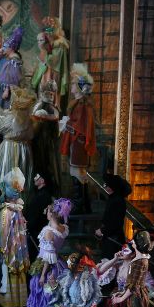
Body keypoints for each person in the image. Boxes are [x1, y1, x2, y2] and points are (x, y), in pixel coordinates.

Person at [24, 199, 71, 307]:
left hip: (48, 268)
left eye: (48, 211)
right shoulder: (64, 228)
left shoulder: (48, 232)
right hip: (60, 265)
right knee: (55, 298)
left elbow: (47, 258)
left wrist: (43, 275)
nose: (46, 213)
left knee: (42, 300)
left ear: (51, 214)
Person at [59, 63, 97, 214]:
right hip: (77, 145)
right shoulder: (79, 104)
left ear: (81, 87)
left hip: (78, 146)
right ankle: (84, 205)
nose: (72, 86)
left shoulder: (82, 106)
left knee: (77, 174)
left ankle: (80, 204)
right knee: (79, 175)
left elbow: (79, 128)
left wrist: (65, 125)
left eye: (74, 83)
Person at [0, 168, 29, 307]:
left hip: (10, 248)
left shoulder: (6, 211)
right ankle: (19, 301)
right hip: (18, 246)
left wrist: (0, 249)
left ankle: (7, 302)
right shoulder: (18, 208)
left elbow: (3, 233)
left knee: (7, 268)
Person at [0, 86, 36, 183]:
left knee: (8, 170)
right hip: (23, 148)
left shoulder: (11, 118)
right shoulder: (28, 119)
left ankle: (6, 189)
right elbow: (31, 135)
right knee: (21, 173)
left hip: (9, 147)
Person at [30, 17, 70, 112]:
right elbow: (42, 61)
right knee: (42, 91)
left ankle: (50, 110)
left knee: (50, 91)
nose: (48, 34)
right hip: (44, 71)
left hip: (52, 72)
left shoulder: (59, 44)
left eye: (50, 30)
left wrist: (45, 53)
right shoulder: (47, 44)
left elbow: (54, 61)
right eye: (46, 31)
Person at [30, 78, 61, 185]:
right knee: (45, 167)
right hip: (44, 144)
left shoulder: (47, 109)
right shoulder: (49, 109)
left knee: (44, 167)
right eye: (49, 93)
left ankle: (45, 187)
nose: (51, 96)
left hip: (44, 144)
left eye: (52, 94)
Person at [95, 173, 131, 260]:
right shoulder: (113, 199)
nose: (105, 187)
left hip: (114, 240)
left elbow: (115, 223)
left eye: (106, 185)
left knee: (111, 262)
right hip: (110, 237)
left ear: (112, 187)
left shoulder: (117, 201)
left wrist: (102, 230)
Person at [0, 26, 23, 109]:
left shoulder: (13, 60)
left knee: (4, 106)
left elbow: (11, 76)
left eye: (5, 47)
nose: (3, 49)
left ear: (11, 48)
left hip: (5, 89)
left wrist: (7, 90)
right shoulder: (5, 57)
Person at [24, 172, 57, 259]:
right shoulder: (39, 193)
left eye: (37, 176)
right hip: (33, 229)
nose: (34, 178)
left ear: (42, 180)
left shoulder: (44, 195)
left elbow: (36, 214)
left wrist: (28, 226)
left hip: (36, 231)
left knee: (33, 255)